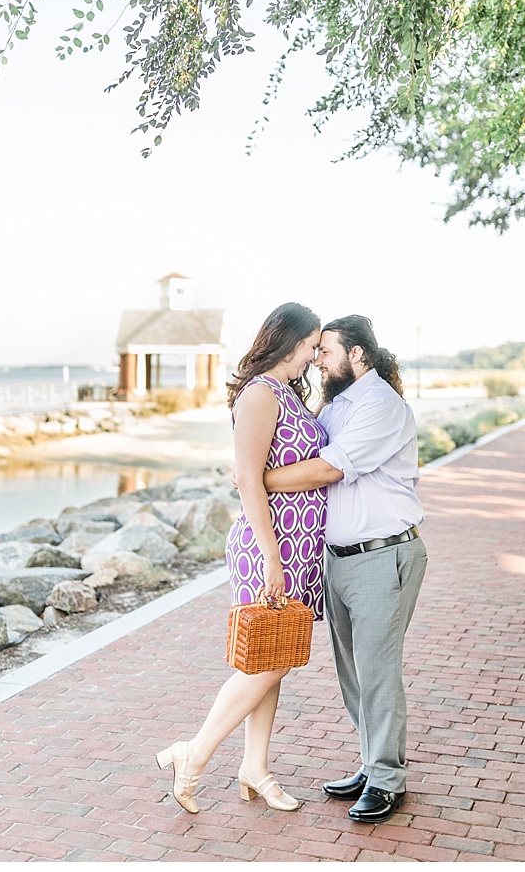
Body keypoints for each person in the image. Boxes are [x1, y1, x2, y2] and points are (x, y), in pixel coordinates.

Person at [156, 302, 327, 814]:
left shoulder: (287, 393)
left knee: (275, 659)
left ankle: (255, 766)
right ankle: (195, 752)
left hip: (300, 547)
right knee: (266, 662)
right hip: (269, 545)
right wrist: (273, 557)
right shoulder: (259, 395)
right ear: (290, 342)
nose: (315, 356)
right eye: (312, 346)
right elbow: (249, 479)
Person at [262, 314, 426, 824]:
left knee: (377, 673)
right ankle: (371, 763)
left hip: (383, 555)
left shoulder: (381, 406)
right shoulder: (337, 406)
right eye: (314, 350)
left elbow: (329, 468)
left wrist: (258, 480)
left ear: (357, 355)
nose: (317, 359)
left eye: (325, 350)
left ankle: (387, 780)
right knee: (354, 673)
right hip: (342, 560)